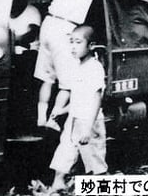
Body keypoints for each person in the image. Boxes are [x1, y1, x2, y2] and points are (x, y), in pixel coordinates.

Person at [34, 0, 110, 129]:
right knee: (67, 83)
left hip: (48, 23)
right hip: (66, 28)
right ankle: (53, 119)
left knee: (46, 77)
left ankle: (41, 117)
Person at [48, 25, 107, 192]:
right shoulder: (76, 67)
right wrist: (62, 110)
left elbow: (96, 99)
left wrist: (88, 127)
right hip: (74, 118)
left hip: (90, 120)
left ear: (91, 46)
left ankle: (101, 185)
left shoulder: (94, 68)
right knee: (65, 150)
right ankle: (57, 183)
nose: (73, 47)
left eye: (78, 42)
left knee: (94, 156)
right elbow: (78, 98)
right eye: (71, 42)